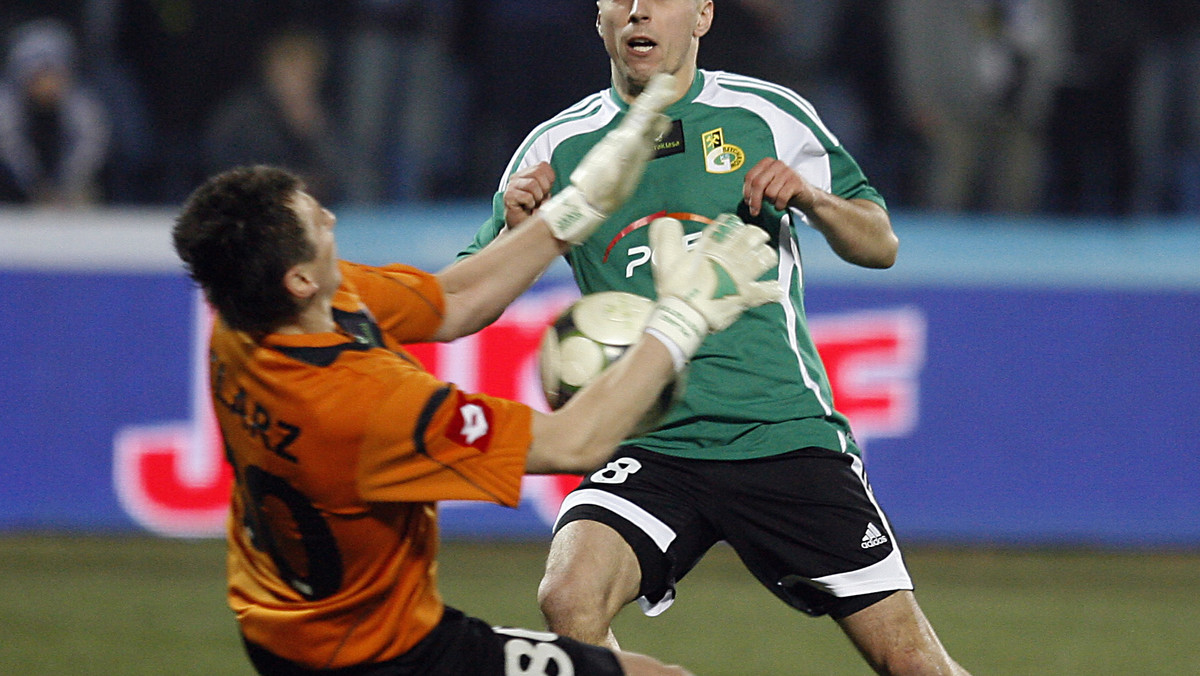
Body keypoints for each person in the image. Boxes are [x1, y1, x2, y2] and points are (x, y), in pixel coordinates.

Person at [172, 74, 781, 675]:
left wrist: (580, 205)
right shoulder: (367, 409)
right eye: (316, 224)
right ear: (299, 280)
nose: (331, 220)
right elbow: (577, 441)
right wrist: (682, 316)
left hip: (280, 627)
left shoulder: (247, 320)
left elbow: (457, 299)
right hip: (384, 657)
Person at [458, 1, 972, 674]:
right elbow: (466, 296)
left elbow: (880, 244)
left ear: (702, 16)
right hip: (649, 441)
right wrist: (523, 228)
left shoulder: (765, 115)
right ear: (601, 18)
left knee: (910, 662)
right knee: (568, 595)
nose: (640, 11)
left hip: (779, 432)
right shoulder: (557, 147)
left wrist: (815, 201)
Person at [204, 26, 348, 205]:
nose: (298, 82)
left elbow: (349, 178)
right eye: (291, 72)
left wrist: (316, 132)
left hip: (314, 209)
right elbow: (232, 172)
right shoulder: (243, 115)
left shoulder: (323, 114)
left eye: (306, 73)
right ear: (271, 71)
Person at [0, 17, 111, 205]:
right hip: (13, 190)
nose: (48, 83)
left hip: (67, 190)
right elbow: (11, 149)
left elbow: (91, 145)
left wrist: (66, 185)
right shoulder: (6, 106)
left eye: (54, 73)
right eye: (40, 75)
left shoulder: (81, 105)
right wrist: (34, 185)